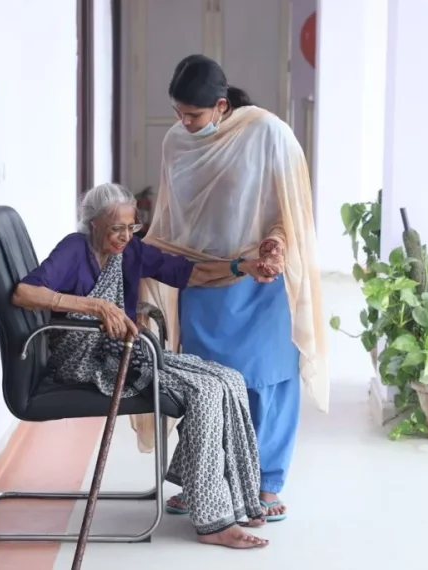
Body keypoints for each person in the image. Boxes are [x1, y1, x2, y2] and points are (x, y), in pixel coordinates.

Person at [12, 183, 284, 549]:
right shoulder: (74, 249)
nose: (125, 236)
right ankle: (213, 521)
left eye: (131, 227)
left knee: (228, 379)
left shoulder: (131, 250)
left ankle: (228, 495)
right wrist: (96, 306)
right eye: (116, 228)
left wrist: (241, 266)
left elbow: (188, 273)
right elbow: (25, 293)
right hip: (86, 362)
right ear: (92, 225)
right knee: (203, 390)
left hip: (124, 353)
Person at [136, 54, 329, 522]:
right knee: (208, 384)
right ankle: (207, 476)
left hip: (262, 276)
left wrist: (275, 246)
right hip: (205, 277)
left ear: (221, 106)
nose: (184, 122)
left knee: (269, 382)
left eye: (194, 115)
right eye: (179, 113)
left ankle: (265, 484)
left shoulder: (268, 133)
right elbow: (172, 219)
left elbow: (293, 208)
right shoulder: (176, 142)